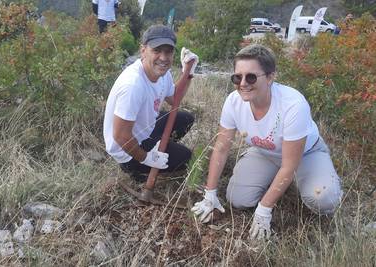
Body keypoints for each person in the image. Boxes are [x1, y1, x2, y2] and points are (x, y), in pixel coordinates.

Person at [191, 44, 342, 240]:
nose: (243, 83)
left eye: (251, 77)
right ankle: (278, 180)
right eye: (237, 77)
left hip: (306, 154)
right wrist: (210, 193)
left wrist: (264, 208)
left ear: (270, 77)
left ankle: (325, 179)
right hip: (266, 152)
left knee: (323, 199)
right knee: (237, 199)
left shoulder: (293, 105)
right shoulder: (233, 101)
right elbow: (221, 149)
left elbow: (289, 165)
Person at [103, 25, 199, 182]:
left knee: (185, 119)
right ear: (143, 51)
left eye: (168, 51)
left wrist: (188, 73)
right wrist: (146, 158)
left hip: (144, 128)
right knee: (186, 158)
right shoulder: (133, 85)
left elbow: (174, 99)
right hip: (126, 152)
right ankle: (137, 169)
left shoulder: (162, 73)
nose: (163, 57)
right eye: (157, 50)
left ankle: (159, 147)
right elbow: (120, 136)